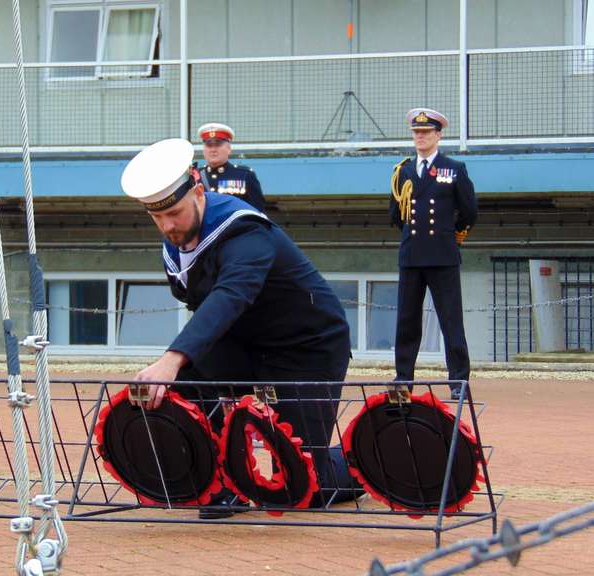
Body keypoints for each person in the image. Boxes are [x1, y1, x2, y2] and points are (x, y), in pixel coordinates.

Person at [121, 138, 359, 518]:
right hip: (245, 344)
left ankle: (362, 458)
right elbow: (204, 312)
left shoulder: (243, 229)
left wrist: (170, 359)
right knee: (183, 382)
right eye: (156, 217)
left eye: (175, 213)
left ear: (199, 192)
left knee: (304, 485)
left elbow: (231, 295)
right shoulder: (177, 244)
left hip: (306, 349)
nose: (167, 226)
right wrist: (185, 371)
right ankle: (219, 486)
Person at [389, 109, 478, 400]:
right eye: (416, 132)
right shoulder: (402, 170)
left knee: (451, 321)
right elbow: (395, 213)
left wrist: (450, 233)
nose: (420, 137)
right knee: (407, 321)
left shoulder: (454, 168)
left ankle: (458, 381)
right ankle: (403, 379)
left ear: (438, 135)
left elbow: (469, 211)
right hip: (412, 255)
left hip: (442, 254)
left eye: (426, 132)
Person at [197, 122, 265, 211]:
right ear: (204, 150)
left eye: (218, 144)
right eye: (209, 145)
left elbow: (257, 212)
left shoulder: (244, 175)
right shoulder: (195, 177)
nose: (213, 150)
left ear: (229, 149)